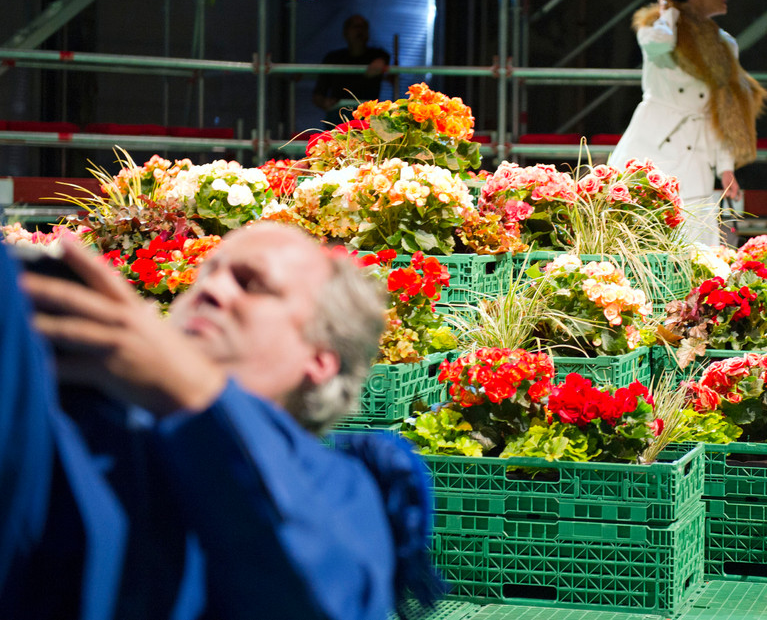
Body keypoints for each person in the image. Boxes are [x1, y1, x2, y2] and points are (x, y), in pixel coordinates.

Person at [1, 222, 442, 619]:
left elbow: (328, 596)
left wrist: (197, 394)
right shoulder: (76, 425)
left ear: (321, 359)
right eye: (206, 274)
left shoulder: (342, 490)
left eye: (253, 285)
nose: (211, 289)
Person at [609, 0, 767, 247]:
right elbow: (659, 44)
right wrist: (668, 11)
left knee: (694, 239)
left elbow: (722, 107)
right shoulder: (657, 27)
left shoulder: (725, 43)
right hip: (653, 144)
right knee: (639, 234)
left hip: (697, 151)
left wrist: (726, 167)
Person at [313, 14, 391, 119]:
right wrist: (325, 103)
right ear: (345, 32)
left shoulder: (379, 55)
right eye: (355, 26)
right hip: (339, 113)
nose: (359, 30)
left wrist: (381, 62)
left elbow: (384, 60)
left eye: (363, 27)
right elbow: (318, 93)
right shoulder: (333, 58)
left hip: (369, 115)